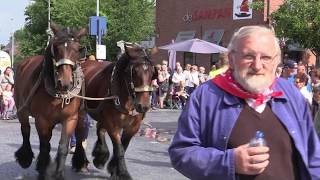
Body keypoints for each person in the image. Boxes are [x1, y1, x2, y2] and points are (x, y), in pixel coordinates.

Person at [169, 26, 320, 180]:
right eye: (249, 56)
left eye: (266, 57)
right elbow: (182, 152)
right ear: (232, 59)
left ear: (276, 62)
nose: (257, 65)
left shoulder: (291, 93)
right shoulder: (206, 96)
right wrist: (230, 161)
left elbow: (313, 155)